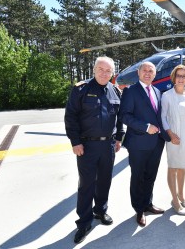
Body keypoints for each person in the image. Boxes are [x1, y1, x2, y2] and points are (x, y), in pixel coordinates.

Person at [64, 56, 124, 244]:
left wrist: (119, 138)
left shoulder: (115, 91)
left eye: (108, 71)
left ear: (112, 73)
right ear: (94, 69)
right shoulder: (81, 89)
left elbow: (119, 118)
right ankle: (83, 222)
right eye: (101, 69)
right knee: (86, 184)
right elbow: (71, 117)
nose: (104, 73)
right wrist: (75, 142)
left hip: (108, 145)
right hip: (86, 146)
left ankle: (100, 211)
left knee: (104, 181)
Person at [119, 61, 170, 227]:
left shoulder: (157, 91)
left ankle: (148, 203)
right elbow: (124, 116)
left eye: (151, 71)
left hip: (157, 142)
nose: (148, 73)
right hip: (138, 143)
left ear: (154, 74)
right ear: (139, 73)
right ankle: (139, 210)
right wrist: (145, 127)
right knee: (138, 177)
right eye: (145, 70)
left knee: (150, 176)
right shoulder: (130, 91)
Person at [161, 64, 185, 216]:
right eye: (179, 75)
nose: (181, 78)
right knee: (173, 166)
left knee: (182, 166)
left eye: (184, 76)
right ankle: (174, 200)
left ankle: (181, 195)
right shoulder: (167, 95)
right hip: (174, 135)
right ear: (174, 78)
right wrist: (170, 134)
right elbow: (163, 117)